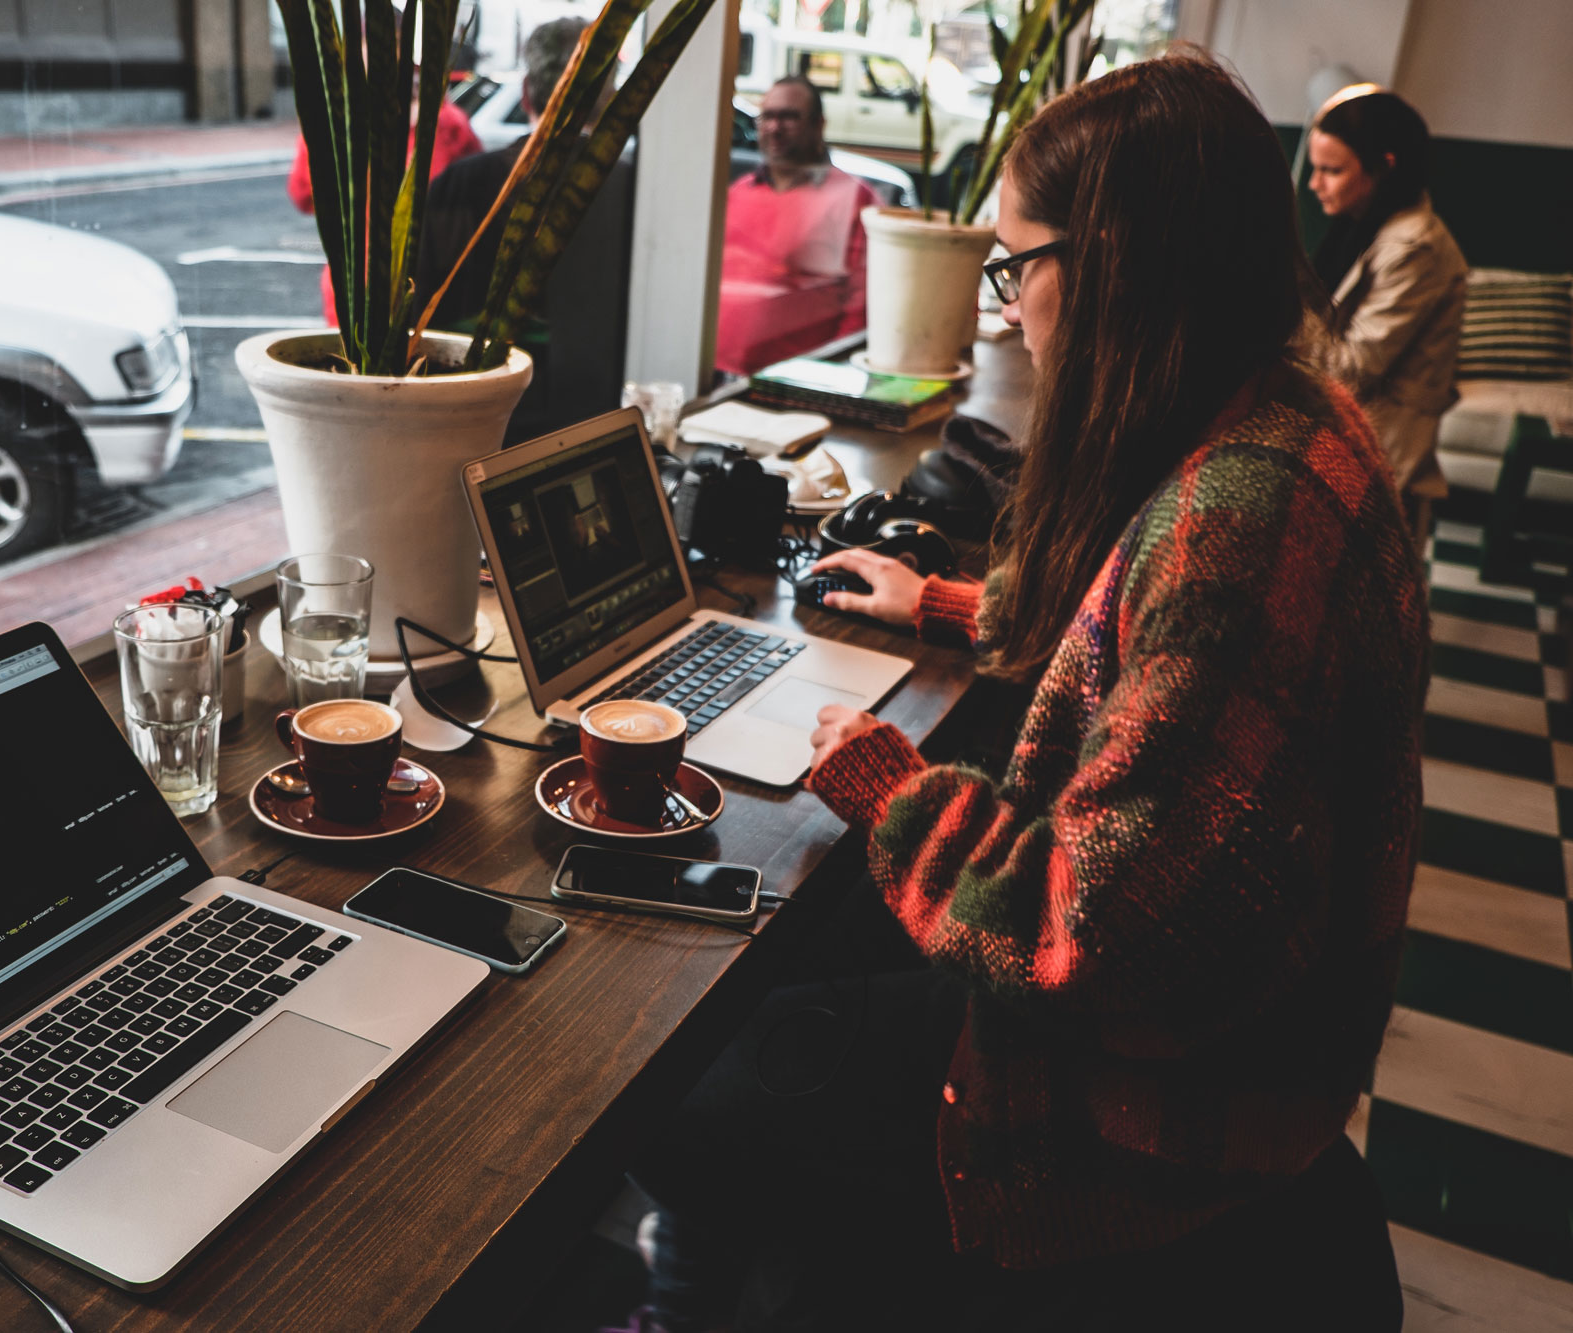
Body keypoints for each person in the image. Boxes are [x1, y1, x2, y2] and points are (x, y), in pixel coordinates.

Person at [619, 53, 1424, 1332]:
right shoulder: (1280, 420)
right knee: (784, 973)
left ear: (1108, 265)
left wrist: (889, 789)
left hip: (1128, 1127)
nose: (1002, 313)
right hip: (1221, 1061)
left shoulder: (1238, 520)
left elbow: (1084, 935)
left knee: (660, 1088)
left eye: (1013, 266)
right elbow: (1152, 647)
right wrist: (942, 603)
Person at [1307, 87, 1467, 530]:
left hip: (1379, 465)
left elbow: (1353, 369)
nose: (1314, 183)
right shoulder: (1363, 224)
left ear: (1384, 167)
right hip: (1348, 447)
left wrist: (1275, 307)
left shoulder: (1416, 247)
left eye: (1331, 170)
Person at [413, 16, 593, 328]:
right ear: (610, 98)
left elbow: (416, 306)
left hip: (470, 373)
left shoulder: (458, 184)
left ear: (525, 94)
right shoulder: (630, 190)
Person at [286, 64, 482, 327]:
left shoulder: (333, 122)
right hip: (424, 286)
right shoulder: (447, 124)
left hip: (366, 286)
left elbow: (303, 195)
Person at [714, 76, 876, 376]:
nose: (775, 128)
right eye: (768, 117)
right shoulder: (740, 192)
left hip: (793, 382)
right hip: (715, 372)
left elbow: (862, 303)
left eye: (789, 117)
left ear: (818, 125)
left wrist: (830, 376)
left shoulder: (854, 198)